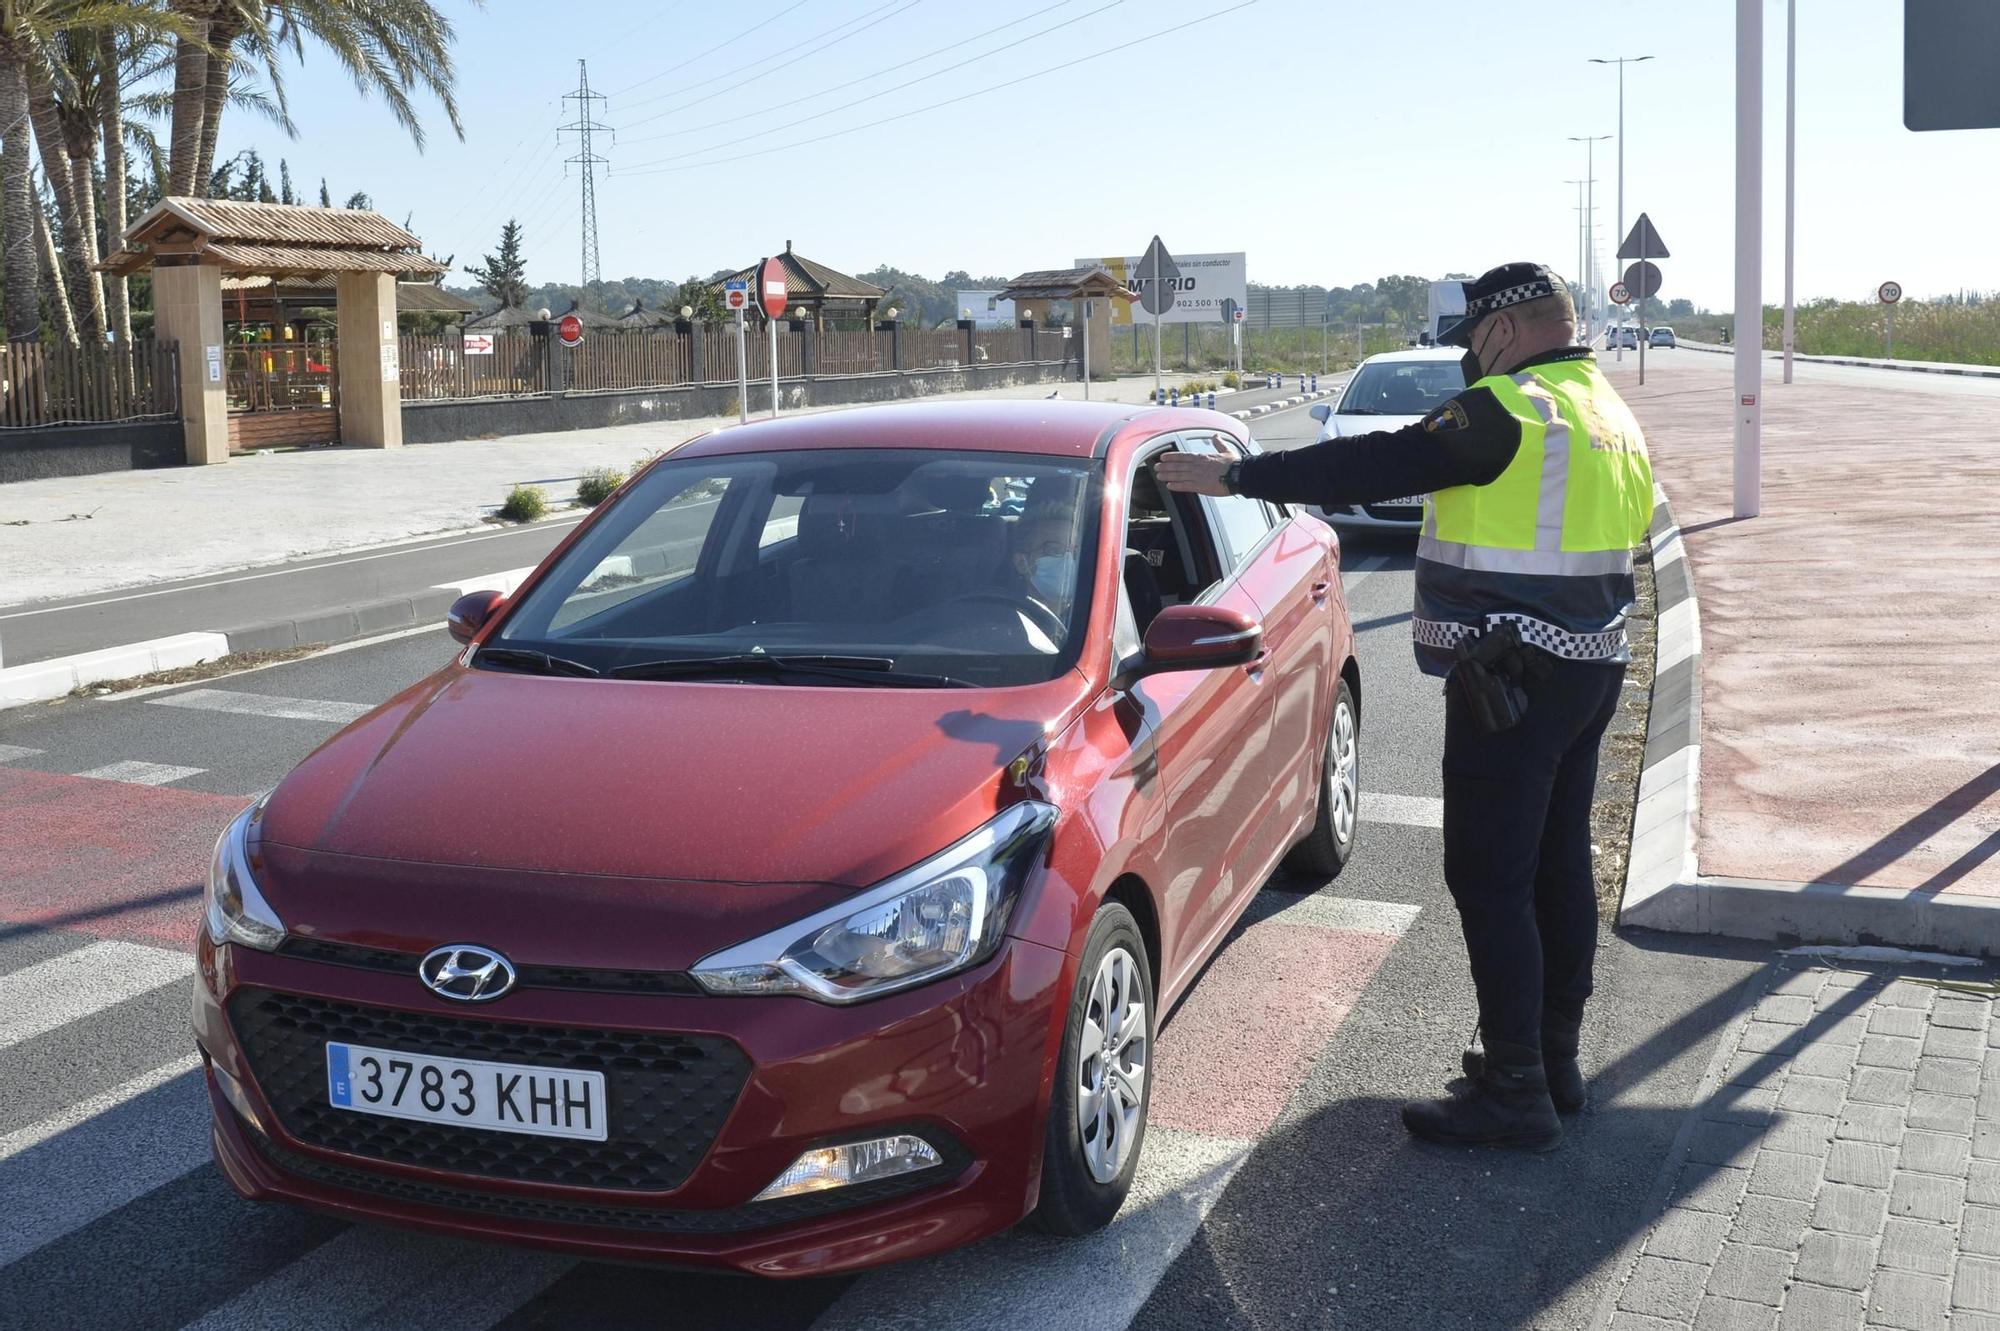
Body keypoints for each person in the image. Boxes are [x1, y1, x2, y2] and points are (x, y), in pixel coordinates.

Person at [1154, 263, 1654, 1152]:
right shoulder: (1606, 408)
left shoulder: (1512, 407)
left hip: (1511, 675)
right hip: (1591, 669)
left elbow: (1378, 458)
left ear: (1501, 330)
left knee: (1490, 877)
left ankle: (1513, 1089)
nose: (1469, 357)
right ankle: (1553, 1061)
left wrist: (1239, 477)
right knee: (1556, 864)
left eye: (1473, 340)